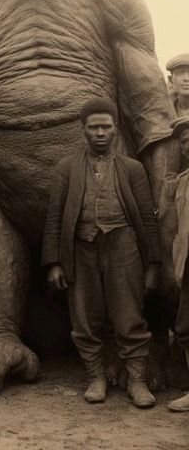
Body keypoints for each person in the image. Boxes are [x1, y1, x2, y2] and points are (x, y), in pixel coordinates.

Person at [42, 98, 160, 409]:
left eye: (105, 127)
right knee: (84, 317)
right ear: (83, 130)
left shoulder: (132, 168)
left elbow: (147, 218)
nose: (99, 133)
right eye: (93, 128)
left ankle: (137, 380)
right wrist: (54, 261)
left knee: (129, 316)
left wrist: (153, 263)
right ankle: (96, 377)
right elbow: (54, 217)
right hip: (80, 248)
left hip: (124, 246)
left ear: (115, 130)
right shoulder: (66, 168)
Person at [166, 117, 189, 411]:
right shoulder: (182, 181)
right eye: (183, 141)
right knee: (185, 328)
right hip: (188, 265)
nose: (188, 144)